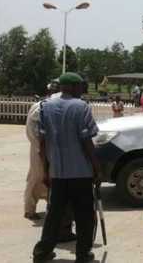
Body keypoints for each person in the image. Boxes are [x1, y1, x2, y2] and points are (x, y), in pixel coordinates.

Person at [32, 72, 100, 263]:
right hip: (80, 173)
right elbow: (87, 141)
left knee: (54, 214)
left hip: (58, 173)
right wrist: (96, 167)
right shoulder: (81, 107)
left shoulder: (46, 107)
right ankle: (82, 254)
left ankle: (42, 252)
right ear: (71, 87)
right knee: (84, 215)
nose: (82, 90)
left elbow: (43, 143)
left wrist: (46, 170)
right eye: (80, 86)